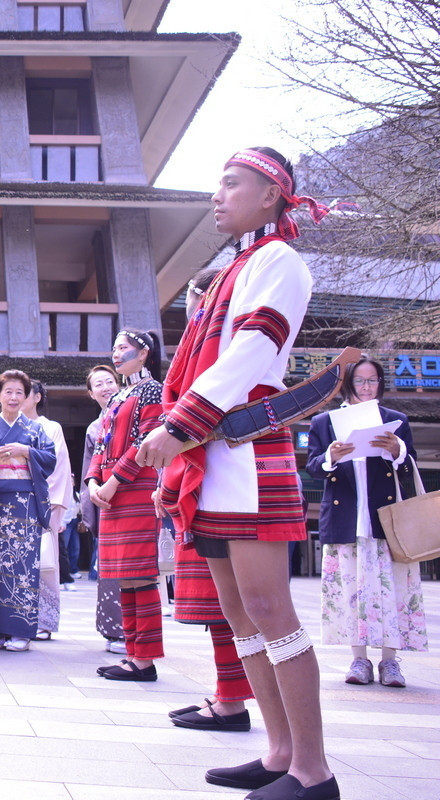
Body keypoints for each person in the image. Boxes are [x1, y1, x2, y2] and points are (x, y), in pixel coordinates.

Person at [139, 146, 336, 799]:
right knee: (239, 613)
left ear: (272, 193)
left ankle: (313, 771)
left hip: (247, 448)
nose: (217, 195)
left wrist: (179, 425)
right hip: (216, 454)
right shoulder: (235, 266)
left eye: (232, 183)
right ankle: (279, 752)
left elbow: (253, 349)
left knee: (269, 607)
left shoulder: (279, 261)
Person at [166, 266, 256, 733]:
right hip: (196, 476)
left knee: (235, 605)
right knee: (221, 604)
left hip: (215, 475)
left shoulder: (223, 341)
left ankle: (234, 702)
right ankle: (227, 696)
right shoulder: (200, 344)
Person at [307, 357, 426, 688]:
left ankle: (390, 662)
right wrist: (332, 456)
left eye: (373, 381)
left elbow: (408, 470)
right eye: (360, 381)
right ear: (347, 384)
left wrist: (398, 450)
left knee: (392, 589)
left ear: (381, 384)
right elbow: (313, 468)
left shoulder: (395, 421)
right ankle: (358, 658)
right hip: (346, 518)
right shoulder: (326, 422)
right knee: (351, 590)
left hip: (386, 521)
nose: (367, 387)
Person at [86, 329, 165, 681]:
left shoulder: (152, 390)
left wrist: (113, 481)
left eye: (125, 348)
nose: (117, 353)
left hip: (134, 487)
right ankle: (133, 654)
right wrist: (92, 481)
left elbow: (147, 442)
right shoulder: (119, 396)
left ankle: (144, 658)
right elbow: (100, 443)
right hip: (110, 490)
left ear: (144, 352)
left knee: (141, 575)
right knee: (124, 577)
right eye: (115, 347)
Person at [0, 370, 56, 650]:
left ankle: (20, 630)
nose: (13, 397)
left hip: (24, 502)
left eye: (19, 392)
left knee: (23, 564)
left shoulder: (36, 429)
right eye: (8, 391)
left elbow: (50, 459)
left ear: (27, 397)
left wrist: (26, 452)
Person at [82, 365, 125, 654]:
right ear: (90, 393)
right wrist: (91, 501)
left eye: (110, 381)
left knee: (138, 570)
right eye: (99, 384)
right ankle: (114, 630)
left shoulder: (134, 413)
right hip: (105, 501)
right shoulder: (94, 428)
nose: (106, 387)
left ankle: (137, 631)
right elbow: (89, 470)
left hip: (134, 494)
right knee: (111, 570)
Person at [23, 381, 75, 618]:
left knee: (45, 561)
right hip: (11, 502)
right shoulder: (5, 425)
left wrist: (53, 505)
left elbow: (59, 467)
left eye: (24, 393)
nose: (17, 397)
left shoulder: (50, 427)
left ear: (37, 397)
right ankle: (16, 618)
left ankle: (45, 619)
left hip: (43, 503)